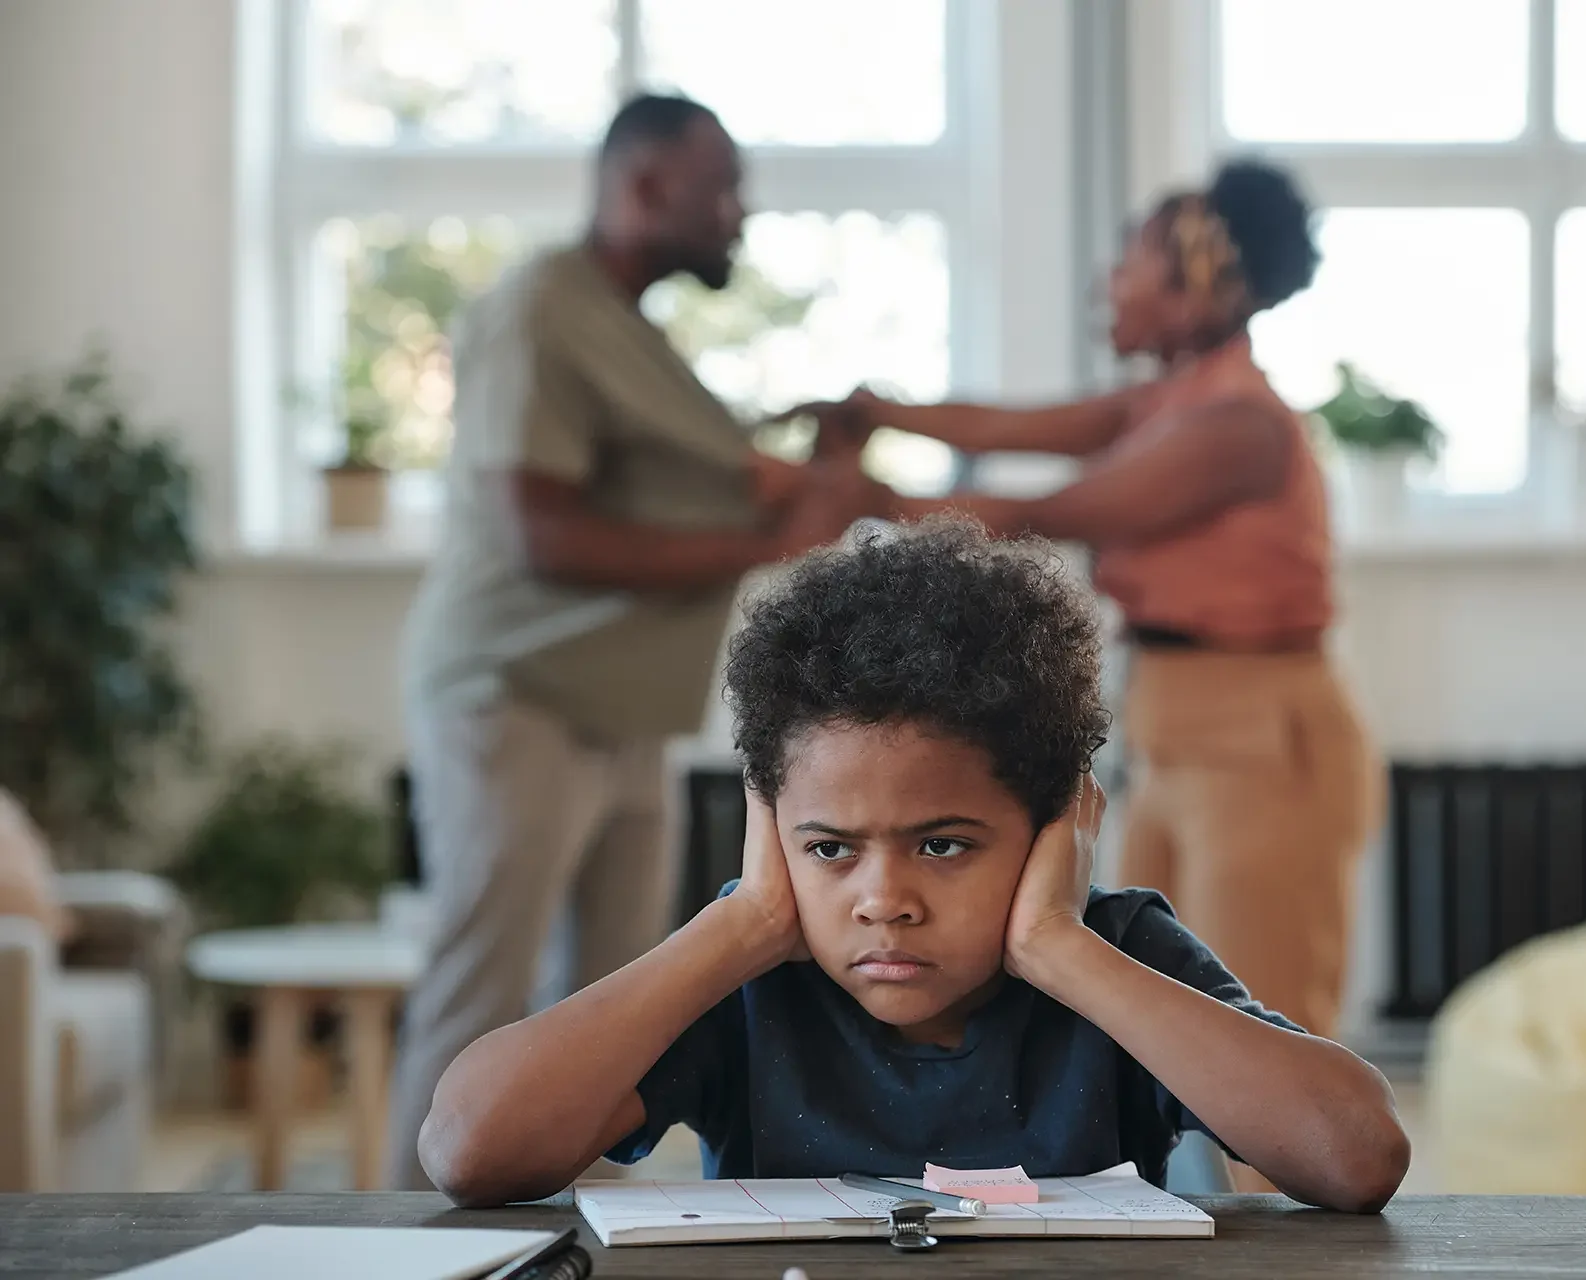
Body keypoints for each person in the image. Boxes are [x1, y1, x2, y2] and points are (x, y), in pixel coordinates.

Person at [416, 519, 1409, 1212]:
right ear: (772, 827)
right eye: (829, 847)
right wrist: (747, 921)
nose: (882, 900)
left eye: (943, 844)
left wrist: (1059, 947)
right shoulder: (752, 973)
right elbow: (468, 1147)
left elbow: (1357, 1155)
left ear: (1054, 818)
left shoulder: (1117, 949)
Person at [386, 93, 879, 1189]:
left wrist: (809, 474)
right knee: (481, 995)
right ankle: (404, 1249)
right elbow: (541, 528)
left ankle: (578, 1246)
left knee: (617, 1017)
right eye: (723, 189)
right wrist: (772, 539)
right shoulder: (538, 309)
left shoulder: (630, 330)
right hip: (518, 696)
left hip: (626, 713)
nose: (740, 214)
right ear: (646, 185)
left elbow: (685, 485)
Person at [808, 162, 1378, 1048]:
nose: (1108, 281)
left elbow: (1055, 512)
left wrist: (856, 499)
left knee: (1264, 1030)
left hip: (1263, 743)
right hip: (1180, 731)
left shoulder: (1240, 424)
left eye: (1132, 258)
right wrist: (880, 412)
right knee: (1151, 1018)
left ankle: (1274, 1189)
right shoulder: (1167, 400)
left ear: (1200, 284)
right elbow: (1010, 428)